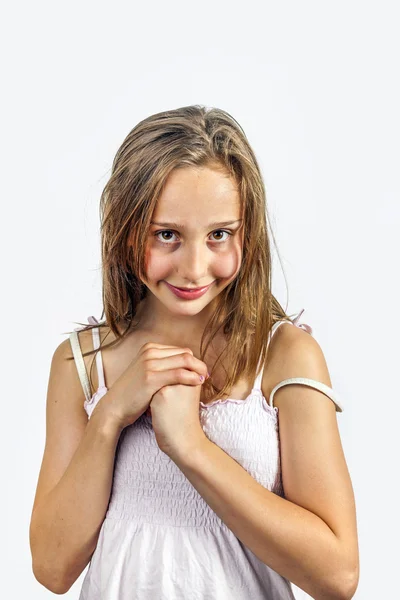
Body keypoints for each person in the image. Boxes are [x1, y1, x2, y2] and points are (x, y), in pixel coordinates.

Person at [29, 105, 359, 599]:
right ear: (124, 232)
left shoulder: (285, 356)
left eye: (219, 235)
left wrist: (191, 448)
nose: (195, 268)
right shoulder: (81, 363)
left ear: (247, 233)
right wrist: (111, 414)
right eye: (167, 235)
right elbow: (53, 568)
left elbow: (338, 576)